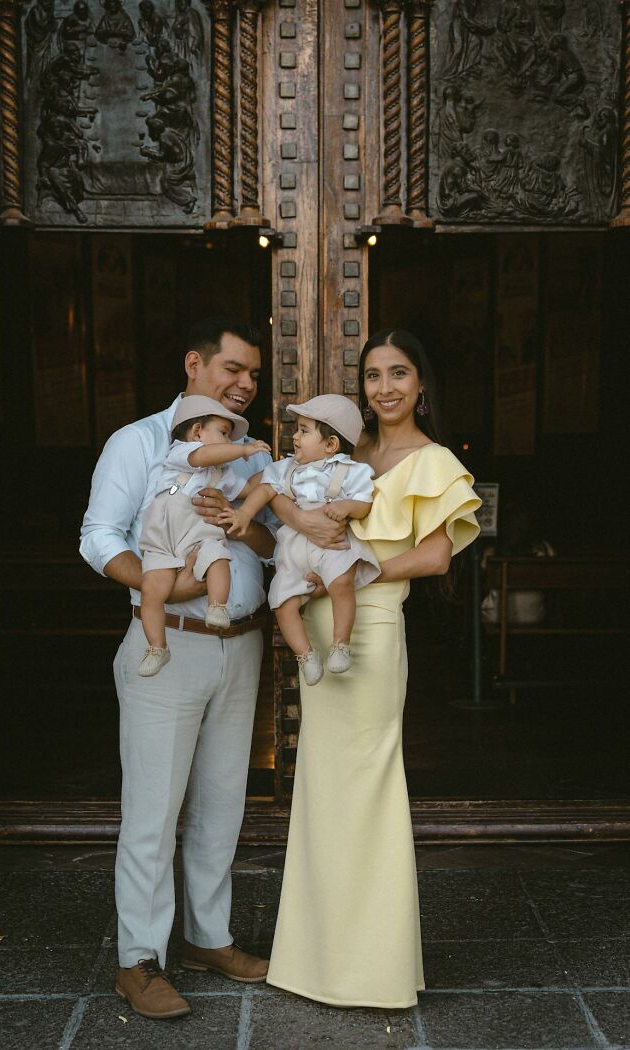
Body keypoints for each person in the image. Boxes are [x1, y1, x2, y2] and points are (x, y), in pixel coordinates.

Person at [266, 329, 481, 1008]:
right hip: (317, 618)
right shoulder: (344, 452)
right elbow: (289, 510)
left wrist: (353, 575)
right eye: (374, 376)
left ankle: (373, 971)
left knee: (369, 785)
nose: (384, 388)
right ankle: (316, 963)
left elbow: (438, 556)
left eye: (399, 373)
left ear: (422, 385)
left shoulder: (433, 459)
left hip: (373, 624)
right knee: (323, 786)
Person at [79, 318, 275, 1020]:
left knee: (223, 803)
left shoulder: (253, 456)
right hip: (168, 643)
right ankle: (140, 959)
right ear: (193, 364)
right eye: (231, 368)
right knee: (154, 813)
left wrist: (239, 521)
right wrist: (172, 588)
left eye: (253, 373)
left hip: (242, 641)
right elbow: (98, 535)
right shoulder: (138, 442)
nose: (244, 382)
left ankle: (209, 938)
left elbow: (271, 539)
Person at [220, 395, 380, 686]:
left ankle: (341, 644)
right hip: (294, 547)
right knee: (282, 602)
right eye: (297, 429)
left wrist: (346, 507)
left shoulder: (350, 471)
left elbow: (363, 503)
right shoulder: (285, 469)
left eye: (304, 431)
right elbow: (264, 491)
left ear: (331, 444)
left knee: (342, 583)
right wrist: (244, 513)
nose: (294, 436)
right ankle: (306, 655)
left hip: (332, 544)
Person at [137, 395, 271, 675]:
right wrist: (244, 451)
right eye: (224, 433)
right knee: (152, 591)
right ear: (197, 431)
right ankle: (156, 646)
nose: (229, 442)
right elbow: (204, 456)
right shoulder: (181, 453)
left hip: (199, 536)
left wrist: (277, 473)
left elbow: (247, 489)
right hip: (164, 542)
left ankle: (217, 607)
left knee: (218, 558)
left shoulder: (220, 475)